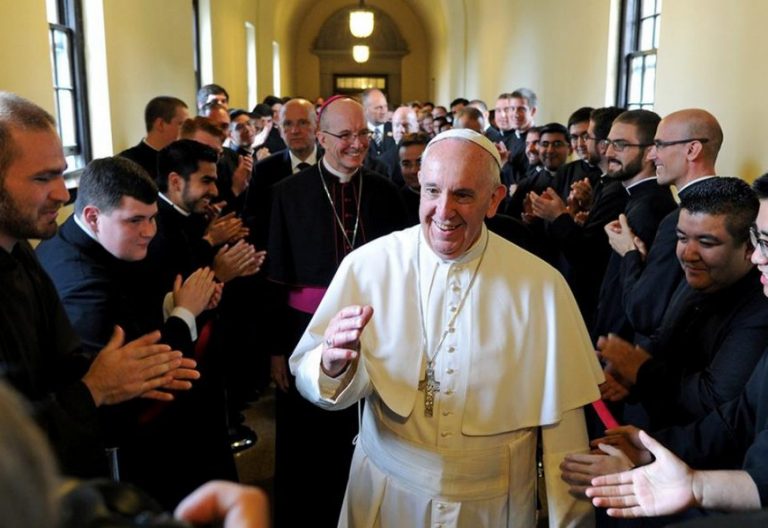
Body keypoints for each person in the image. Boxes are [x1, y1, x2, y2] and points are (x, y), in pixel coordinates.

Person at [290, 128, 604, 527]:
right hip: (386, 493)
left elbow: (564, 438)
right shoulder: (368, 265)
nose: (443, 210)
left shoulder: (541, 287)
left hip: (492, 506)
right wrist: (331, 367)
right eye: (433, 191)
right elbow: (309, 372)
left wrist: (571, 522)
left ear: (494, 200)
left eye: (463, 195)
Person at [0, 90, 194, 479]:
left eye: (60, 172)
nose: (61, 192)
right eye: (43, 178)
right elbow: (11, 441)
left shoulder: (19, 250)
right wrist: (97, 387)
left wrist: (120, 372)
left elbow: (64, 360)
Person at [267, 95, 408, 527]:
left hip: (376, 332)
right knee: (308, 438)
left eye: (363, 134)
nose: (356, 144)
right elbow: (274, 279)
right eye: (345, 135)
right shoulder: (288, 193)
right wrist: (275, 351)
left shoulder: (385, 190)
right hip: (305, 333)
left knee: (370, 433)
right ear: (322, 137)